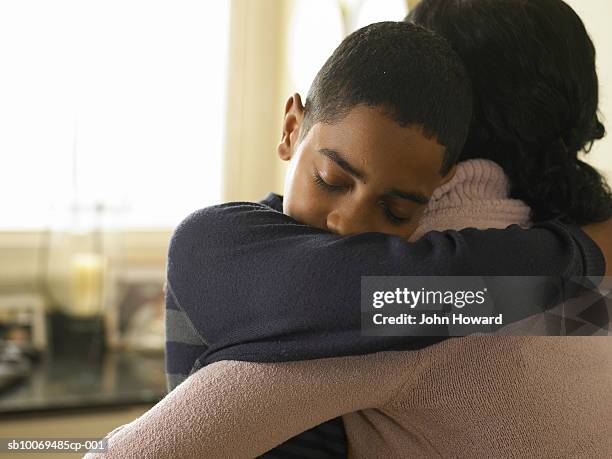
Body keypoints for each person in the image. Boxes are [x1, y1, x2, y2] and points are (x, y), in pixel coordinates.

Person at [86, 14, 612, 458]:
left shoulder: (393, 313)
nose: (349, 227)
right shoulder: (580, 292)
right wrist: (582, 252)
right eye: (332, 181)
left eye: (396, 206)